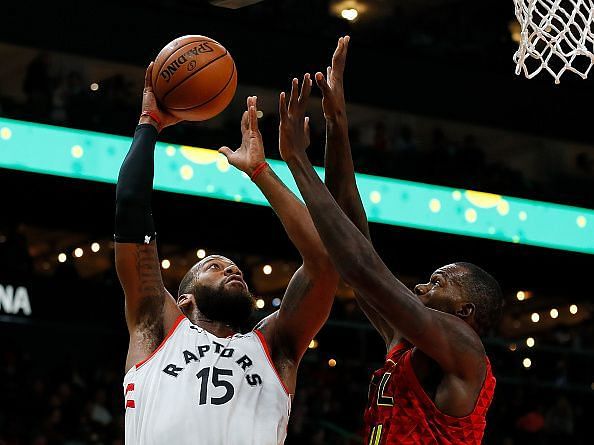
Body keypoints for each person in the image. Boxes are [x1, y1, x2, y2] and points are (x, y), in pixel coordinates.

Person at [282, 36, 503, 444]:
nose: (421, 286)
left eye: (437, 283)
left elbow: (363, 270)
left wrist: (298, 162)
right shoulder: (408, 342)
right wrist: (337, 124)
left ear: (465, 309)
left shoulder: (464, 346)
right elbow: (354, 238)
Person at [114, 63, 338, 444]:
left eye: (233, 267)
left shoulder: (275, 346)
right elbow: (131, 207)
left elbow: (324, 261)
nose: (231, 270)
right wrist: (149, 122)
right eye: (213, 267)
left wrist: (261, 172)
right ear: (183, 299)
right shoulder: (158, 328)